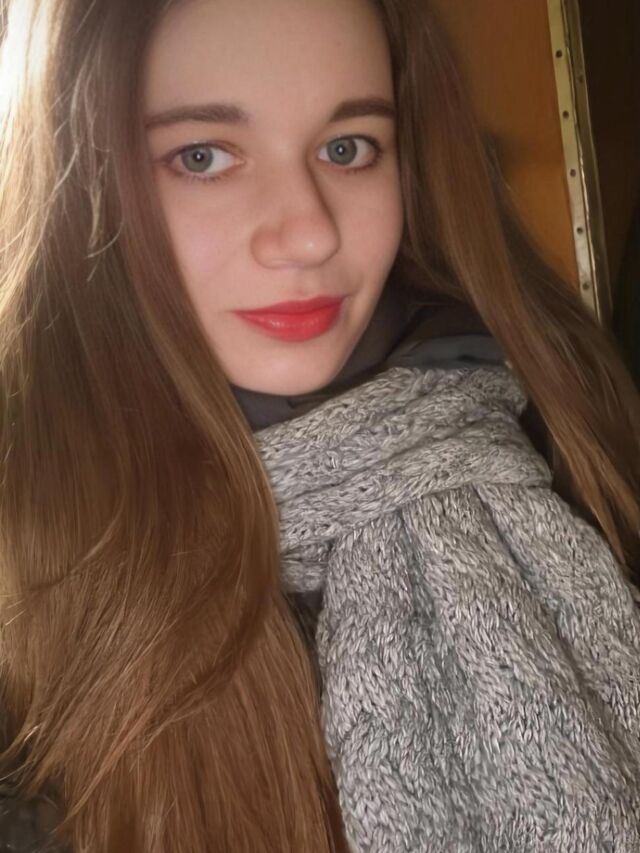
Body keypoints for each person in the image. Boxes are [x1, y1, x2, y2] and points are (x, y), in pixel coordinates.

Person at [0, 0, 639, 850]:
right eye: (202, 156)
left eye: (348, 148)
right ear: (77, 185)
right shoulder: (30, 589)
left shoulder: (561, 430)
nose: (307, 234)